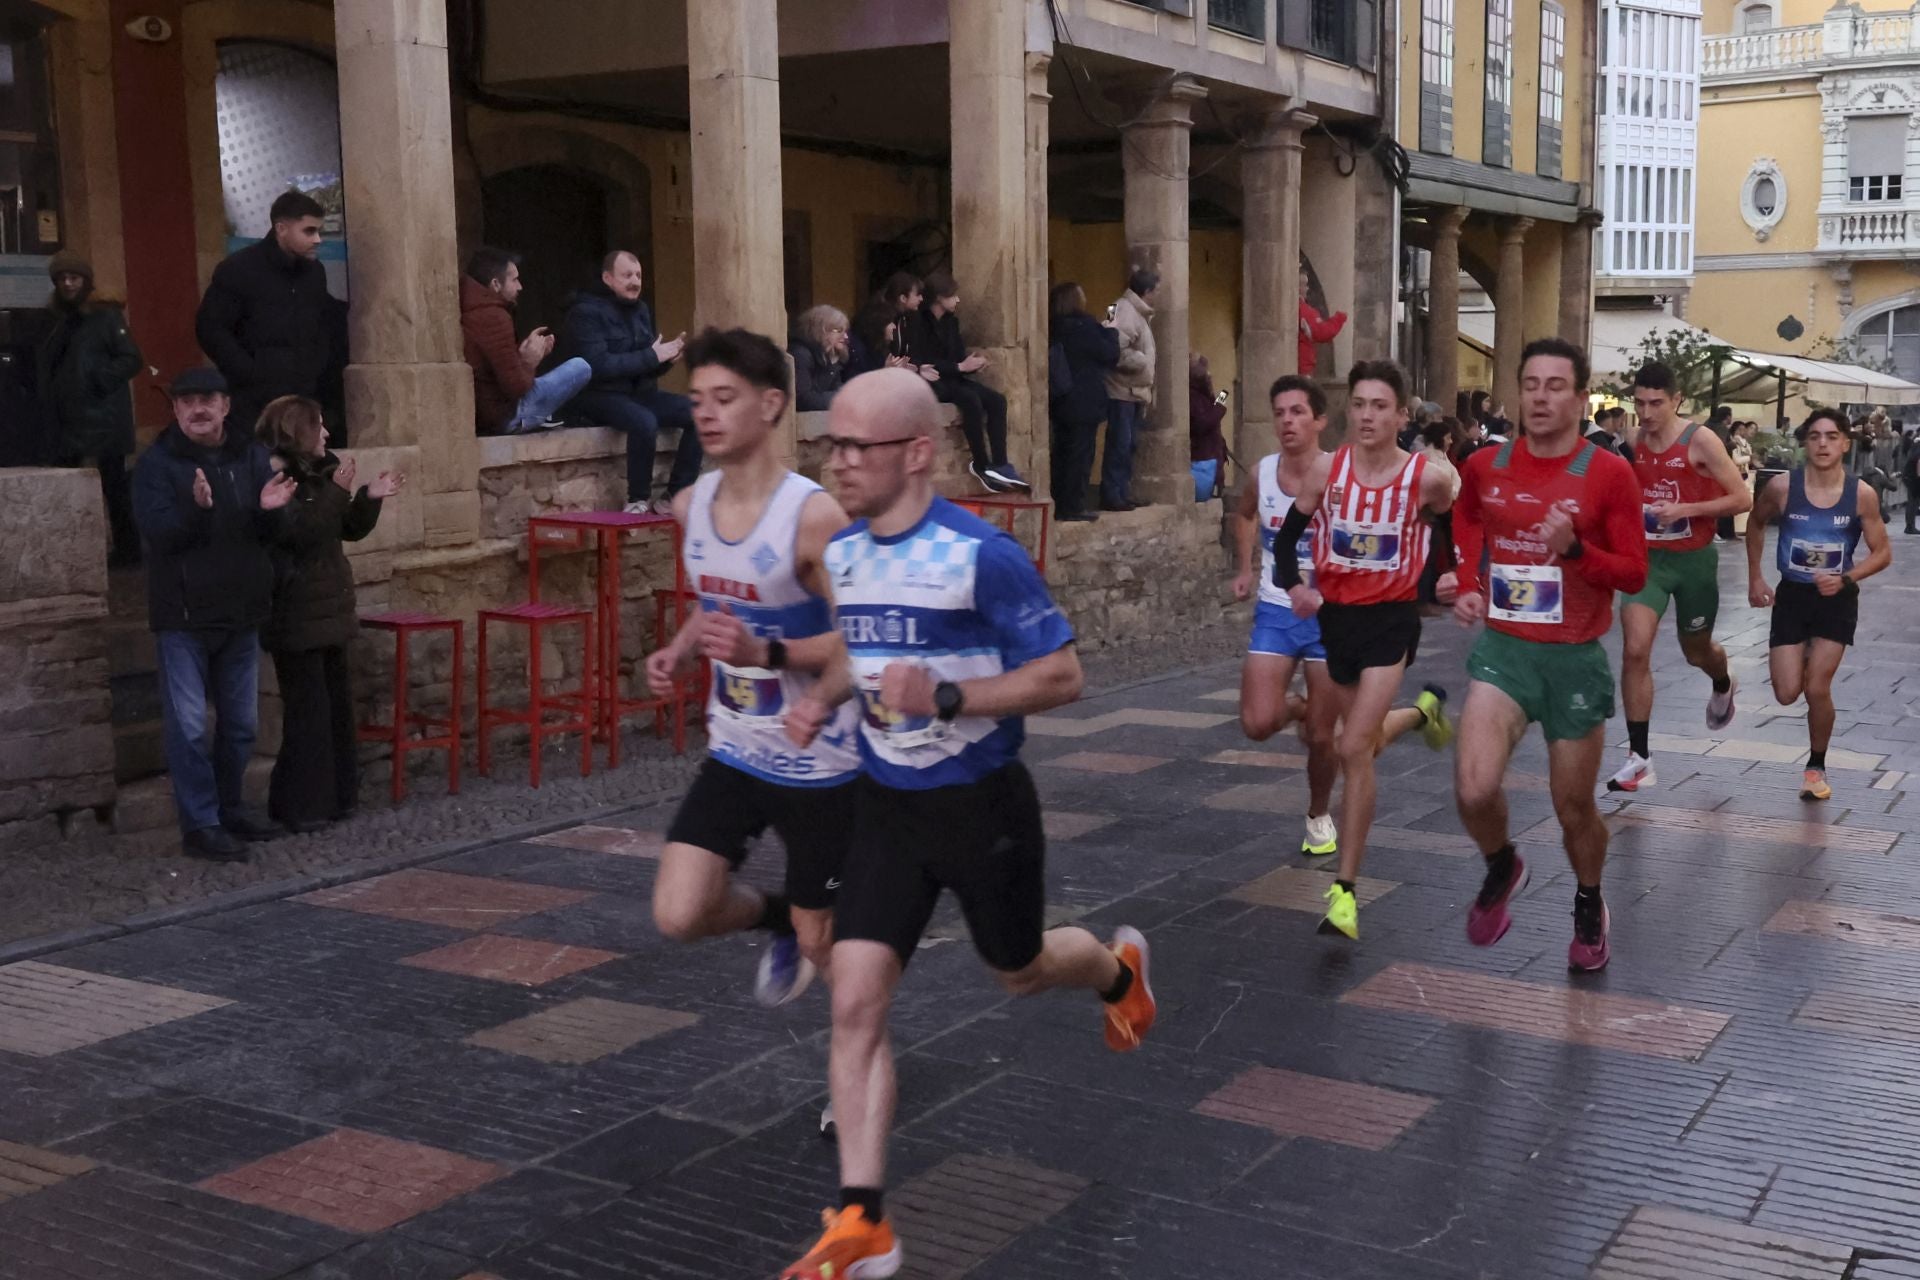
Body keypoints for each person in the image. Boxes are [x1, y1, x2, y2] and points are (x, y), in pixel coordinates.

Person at [777, 368, 1158, 1279]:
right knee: (856, 999)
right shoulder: (848, 554)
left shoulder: (982, 555)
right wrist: (820, 694)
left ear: (915, 453)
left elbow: (1063, 677)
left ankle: (1116, 972)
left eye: (854, 447)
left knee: (1019, 970)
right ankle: (863, 1218)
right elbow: (862, 648)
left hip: (982, 805)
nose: (836, 463)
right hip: (886, 807)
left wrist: (948, 694)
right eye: (829, 445)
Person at [643, 328, 864, 1013]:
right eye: (697, 399)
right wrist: (681, 649)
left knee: (827, 945)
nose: (704, 413)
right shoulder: (691, 505)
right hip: (737, 749)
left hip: (819, 762)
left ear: (770, 406)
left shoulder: (812, 517)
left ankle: (854, 1078)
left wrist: (766, 656)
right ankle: (776, 921)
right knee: (679, 913)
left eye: (724, 398)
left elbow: (864, 640)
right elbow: (724, 601)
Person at [1441, 338, 1648, 973]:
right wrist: (1470, 582)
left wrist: (1576, 550)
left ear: (1582, 399)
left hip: (1573, 660)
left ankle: (1589, 900)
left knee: (1573, 807)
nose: (1540, 396)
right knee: (1474, 790)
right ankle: (1502, 862)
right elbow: (1467, 516)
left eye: (1556, 385)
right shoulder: (1486, 463)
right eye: (1531, 383)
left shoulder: (1609, 474)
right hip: (1506, 651)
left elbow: (1635, 574)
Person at [1268, 360, 1458, 940]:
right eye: (1359, 404)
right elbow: (1287, 542)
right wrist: (1297, 587)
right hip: (1338, 622)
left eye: (1380, 406)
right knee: (1364, 740)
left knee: (1350, 745)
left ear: (1402, 415)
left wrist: (1448, 581)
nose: (1367, 415)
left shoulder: (1427, 478)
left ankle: (1345, 891)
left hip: (1390, 623)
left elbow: (1454, 532)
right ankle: (1423, 712)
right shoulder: (1328, 469)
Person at [132, 368, 297, 862]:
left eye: (206, 400)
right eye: (186, 402)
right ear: (176, 411)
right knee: (188, 727)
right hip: (183, 617)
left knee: (242, 725)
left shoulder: (250, 457)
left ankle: (229, 809)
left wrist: (271, 511)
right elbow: (160, 535)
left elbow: (276, 534)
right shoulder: (156, 466)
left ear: (225, 406)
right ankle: (200, 824)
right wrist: (198, 509)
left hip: (240, 613)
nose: (197, 409)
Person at [257, 396, 401, 831]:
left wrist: (368, 498)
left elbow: (345, 528)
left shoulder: (322, 474)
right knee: (308, 716)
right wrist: (339, 491)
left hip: (329, 609)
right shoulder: (277, 478)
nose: (326, 434)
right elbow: (302, 532)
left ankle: (337, 798)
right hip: (297, 612)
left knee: (336, 710)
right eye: (318, 426)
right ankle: (298, 806)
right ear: (299, 431)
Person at [1609, 361, 1753, 793]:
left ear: (1677, 401)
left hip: (1693, 563)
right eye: (1639, 403)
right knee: (1635, 650)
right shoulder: (1632, 439)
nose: (1647, 412)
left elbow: (1742, 498)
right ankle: (1639, 758)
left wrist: (1685, 511)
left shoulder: (1701, 441)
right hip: (1649, 561)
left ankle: (1723, 682)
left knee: (1696, 652)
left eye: (1656, 403)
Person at [1746, 409, 1893, 802]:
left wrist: (1846, 578)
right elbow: (1755, 523)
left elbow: (1882, 553)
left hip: (1836, 599)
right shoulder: (1782, 488)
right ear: (1805, 443)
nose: (1823, 443)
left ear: (1846, 443)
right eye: (1814, 436)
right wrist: (1756, 577)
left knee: (1816, 686)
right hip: (1793, 596)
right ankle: (1803, 653)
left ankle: (1816, 767)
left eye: (1831, 436)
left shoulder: (1861, 494)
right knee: (1786, 692)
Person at [1230, 374, 1340, 858]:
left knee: (1322, 735)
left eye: (1297, 412)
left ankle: (1318, 814)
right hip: (1277, 607)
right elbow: (1246, 513)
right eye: (1279, 413)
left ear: (1320, 420)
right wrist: (1244, 568)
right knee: (1256, 723)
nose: (1287, 422)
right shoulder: (1263, 471)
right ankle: (1296, 705)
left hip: (1330, 617)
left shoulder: (1340, 474)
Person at [194, 190, 348, 442]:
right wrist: (250, 372)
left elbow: (321, 322)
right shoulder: (239, 269)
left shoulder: (314, 272)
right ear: (282, 228)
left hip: (303, 396)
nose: (318, 239)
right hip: (253, 400)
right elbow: (211, 328)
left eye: (318, 231)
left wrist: (315, 366)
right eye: (308, 231)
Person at [558, 250, 702, 514]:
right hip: (599, 395)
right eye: (627, 275)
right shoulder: (585, 313)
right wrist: (652, 356)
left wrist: (664, 361)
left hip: (638, 392)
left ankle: (676, 496)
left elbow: (642, 366)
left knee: (700, 412)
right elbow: (598, 366)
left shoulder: (640, 310)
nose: (635, 281)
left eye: (638, 275)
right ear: (607, 278)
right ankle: (638, 499)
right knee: (644, 422)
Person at [35, 252, 142, 566]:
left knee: (113, 487)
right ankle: (70, 549)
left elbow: (132, 359)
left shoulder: (105, 317)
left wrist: (99, 378)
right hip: (67, 418)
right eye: (62, 279)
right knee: (65, 488)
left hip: (103, 418)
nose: (68, 283)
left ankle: (128, 552)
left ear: (85, 281)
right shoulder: (55, 320)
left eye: (74, 277)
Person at [900, 269, 1028, 493]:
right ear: (939, 297)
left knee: (996, 400)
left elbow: (958, 356)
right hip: (933, 382)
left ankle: (1000, 463)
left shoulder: (951, 322)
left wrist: (972, 363)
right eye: (953, 295)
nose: (957, 300)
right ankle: (980, 464)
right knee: (970, 399)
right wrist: (958, 367)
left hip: (953, 378)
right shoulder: (916, 322)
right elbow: (922, 362)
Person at [460, 246, 591, 436]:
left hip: (491, 414)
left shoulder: (475, 308)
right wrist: (530, 362)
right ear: (496, 284)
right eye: (514, 280)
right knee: (581, 367)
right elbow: (516, 388)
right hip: (506, 417)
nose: (520, 286)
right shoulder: (493, 316)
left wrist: (520, 357)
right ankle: (545, 417)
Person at [1047, 282, 1120, 522]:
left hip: (1061, 397)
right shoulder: (1084, 327)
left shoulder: (1054, 326)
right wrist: (1110, 328)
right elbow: (1109, 354)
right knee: (1081, 454)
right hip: (1084, 399)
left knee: (1063, 452)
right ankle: (1073, 506)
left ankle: (1061, 502)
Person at [1102, 268, 1159, 511]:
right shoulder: (1122, 309)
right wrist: (1143, 361)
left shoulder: (1137, 313)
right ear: (1146, 291)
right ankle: (1112, 494)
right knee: (1120, 444)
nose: (1159, 295)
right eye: (1157, 290)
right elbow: (1111, 347)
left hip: (1133, 392)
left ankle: (1122, 492)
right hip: (1121, 390)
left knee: (1128, 445)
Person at [791, 305, 852, 411]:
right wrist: (842, 398)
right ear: (820, 330)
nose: (845, 337)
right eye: (838, 330)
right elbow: (803, 400)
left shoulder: (830, 355)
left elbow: (835, 390)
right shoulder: (801, 354)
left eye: (845, 331)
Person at [1189, 352, 1228, 502]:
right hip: (1203, 461)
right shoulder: (1193, 396)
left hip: (1212, 457)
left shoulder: (1204, 395)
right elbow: (1202, 424)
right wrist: (1219, 407)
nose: (1210, 375)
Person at [1297, 266, 1346, 379]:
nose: (1307, 288)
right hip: (1303, 368)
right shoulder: (1304, 310)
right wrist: (1339, 318)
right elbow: (1323, 332)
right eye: (1303, 284)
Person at [1726, 421, 1756, 538]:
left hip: (1744, 475)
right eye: (1740, 429)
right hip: (1734, 475)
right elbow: (1736, 460)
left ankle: (1740, 528)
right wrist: (1749, 457)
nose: (1743, 432)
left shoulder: (1745, 444)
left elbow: (1749, 456)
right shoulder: (1732, 444)